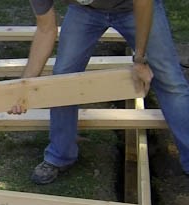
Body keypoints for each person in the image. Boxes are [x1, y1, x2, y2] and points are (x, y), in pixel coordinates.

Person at [10, 0, 189, 184]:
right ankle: (59, 155)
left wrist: (140, 59)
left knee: (170, 82)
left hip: (134, 7)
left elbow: (143, 2)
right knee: (63, 78)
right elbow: (45, 29)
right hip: (85, 12)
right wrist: (24, 87)